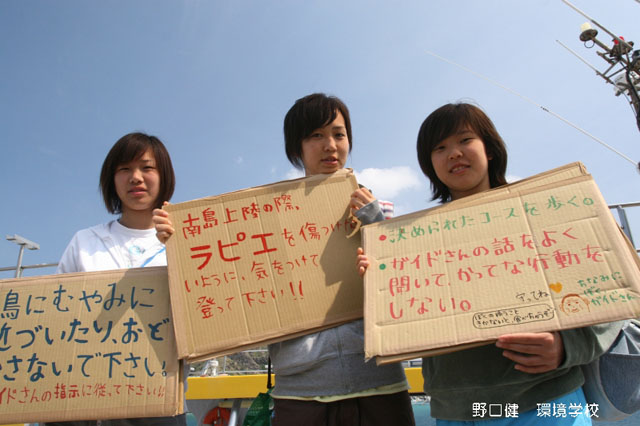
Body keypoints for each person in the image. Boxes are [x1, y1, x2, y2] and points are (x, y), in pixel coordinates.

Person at [153, 93, 415, 426]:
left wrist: (375, 222)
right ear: (297, 147)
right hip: (300, 394)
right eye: (315, 135)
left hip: (380, 384)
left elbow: (408, 284)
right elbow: (229, 277)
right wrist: (178, 240)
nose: (330, 145)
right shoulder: (269, 217)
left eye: (338, 134)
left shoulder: (379, 209)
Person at [357, 103, 622, 425]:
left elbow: (612, 292)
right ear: (429, 163)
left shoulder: (540, 211)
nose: (454, 153)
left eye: (465, 140)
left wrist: (568, 346)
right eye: (440, 148)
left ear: (490, 149)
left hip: (546, 403)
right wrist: (378, 278)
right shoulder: (414, 237)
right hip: (454, 412)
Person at [52, 132, 186, 426]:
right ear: (111, 180)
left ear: (164, 176)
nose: (135, 177)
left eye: (147, 168)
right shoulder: (85, 241)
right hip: (82, 399)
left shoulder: (187, 241)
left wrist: (178, 252)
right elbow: (56, 315)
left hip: (158, 402)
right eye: (124, 169)